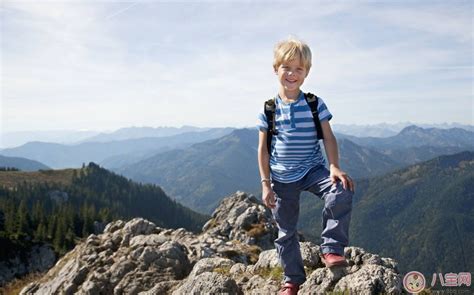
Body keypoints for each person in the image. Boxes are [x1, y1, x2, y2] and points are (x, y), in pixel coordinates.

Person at [257, 37, 355, 295]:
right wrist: (266, 184)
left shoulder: (314, 104)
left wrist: (334, 166)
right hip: (281, 178)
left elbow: (329, 137)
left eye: (298, 69)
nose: (292, 74)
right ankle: (292, 280)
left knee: (341, 189)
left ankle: (332, 248)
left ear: (306, 73)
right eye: (286, 67)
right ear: (275, 69)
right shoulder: (268, 110)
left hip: (313, 170)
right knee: (286, 232)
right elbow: (263, 150)